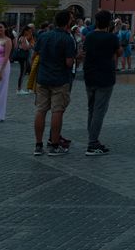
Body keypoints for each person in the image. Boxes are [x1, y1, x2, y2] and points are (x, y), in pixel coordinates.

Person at [33, 11, 76, 156]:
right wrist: (78, 57)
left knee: (41, 110)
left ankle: (38, 145)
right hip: (59, 79)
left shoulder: (44, 35)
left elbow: (35, 54)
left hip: (43, 78)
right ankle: (54, 145)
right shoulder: (67, 39)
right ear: (67, 22)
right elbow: (69, 63)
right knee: (57, 111)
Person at [82, 9, 121, 156]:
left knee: (91, 109)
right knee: (99, 110)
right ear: (109, 23)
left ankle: (92, 138)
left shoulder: (90, 36)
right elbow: (119, 53)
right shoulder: (111, 38)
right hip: (105, 77)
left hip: (90, 75)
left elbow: (85, 52)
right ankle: (92, 143)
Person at [15, 24, 35, 95]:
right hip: (23, 57)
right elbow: (24, 48)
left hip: (23, 57)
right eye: (29, 31)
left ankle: (28, 88)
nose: (30, 33)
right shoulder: (23, 38)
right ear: (25, 31)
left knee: (25, 71)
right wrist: (31, 45)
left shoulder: (22, 37)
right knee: (22, 72)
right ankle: (19, 89)